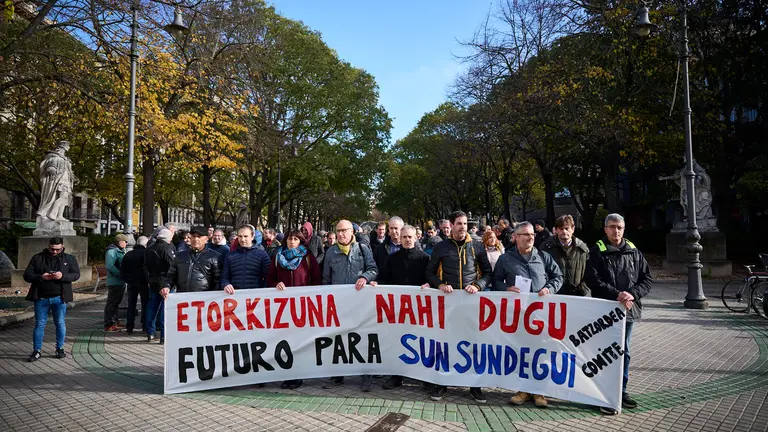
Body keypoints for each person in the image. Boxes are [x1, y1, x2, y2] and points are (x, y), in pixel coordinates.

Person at [585, 213, 652, 415]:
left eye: (620, 227)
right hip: (606, 311)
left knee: (624, 352)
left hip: (628, 310)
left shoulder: (633, 251)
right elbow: (592, 280)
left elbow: (647, 279)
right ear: (605, 229)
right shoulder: (597, 251)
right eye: (612, 227)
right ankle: (604, 393)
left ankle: (621, 391)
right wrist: (617, 294)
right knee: (606, 353)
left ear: (624, 229)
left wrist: (631, 294)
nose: (616, 231)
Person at [493, 221, 563, 408]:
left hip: (540, 315)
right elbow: (495, 281)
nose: (530, 237)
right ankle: (523, 390)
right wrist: (506, 288)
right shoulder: (505, 259)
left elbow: (558, 277)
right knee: (521, 352)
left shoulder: (543, 257)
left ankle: (539, 392)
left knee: (540, 352)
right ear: (515, 237)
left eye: (532, 234)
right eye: (525, 234)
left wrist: (549, 288)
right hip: (518, 315)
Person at [426, 211, 492, 403]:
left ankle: (475, 386)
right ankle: (443, 383)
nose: (463, 227)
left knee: (472, 344)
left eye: (465, 224)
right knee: (446, 344)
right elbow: (429, 273)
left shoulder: (478, 246)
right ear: (451, 226)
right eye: (459, 224)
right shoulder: (440, 247)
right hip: (448, 304)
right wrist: (440, 285)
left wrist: (478, 285)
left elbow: (488, 273)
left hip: (471, 304)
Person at [322, 219, 378, 391]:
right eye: (338, 231)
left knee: (362, 339)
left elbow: (373, 269)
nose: (341, 234)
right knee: (338, 339)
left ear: (352, 232)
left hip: (360, 305)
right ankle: (337, 375)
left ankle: (365, 375)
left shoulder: (363, 249)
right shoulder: (330, 252)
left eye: (344, 230)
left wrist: (365, 278)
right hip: (338, 305)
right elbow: (326, 279)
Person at [374, 224, 430, 390]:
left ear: (416, 238)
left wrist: (429, 285)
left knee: (421, 340)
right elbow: (384, 277)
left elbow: (430, 278)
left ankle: (424, 376)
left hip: (419, 308)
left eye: (410, 237)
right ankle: (396, 375)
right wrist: (377, 283)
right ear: (400, 238)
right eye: (404, 237)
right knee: (398, 340)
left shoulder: (424, 258)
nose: (407, 240)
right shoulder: (392, 258)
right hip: (398, 309)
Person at [267, 229, 322, 390]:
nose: (292, 242)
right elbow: (270, 279)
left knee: (300, 340)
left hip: (303, 307)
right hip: (283, 307)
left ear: (301, 241)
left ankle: (299, 374)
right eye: (290, 239)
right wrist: (276, 285)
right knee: (286, 341)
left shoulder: (308, 258)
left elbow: (317, 280)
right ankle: (288, 375)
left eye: (296, 239)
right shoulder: (278, 257)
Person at [23, 237, 80, 362]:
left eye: (58, 250)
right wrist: (41, 277)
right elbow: (27, 275)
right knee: (39, 324)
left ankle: (60, 348)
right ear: (48, 246)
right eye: (52, 249)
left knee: (59, 323)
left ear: (62, 247)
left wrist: (62, 276)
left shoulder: (69, 258)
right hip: (41, 298)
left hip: (59, 298)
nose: (54, 252)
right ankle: (36, 350)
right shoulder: (38, 257)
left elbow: (76, 274)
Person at [160, 226, 221, 342]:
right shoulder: (180, 255)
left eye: (199, 237)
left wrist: (214, 300)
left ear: (206, 239)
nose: (195, 239)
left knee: (203, 335)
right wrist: (166, 286)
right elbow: (171, 276)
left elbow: (217, 281)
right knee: (186, 335)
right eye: (193, 237)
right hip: (184, 302)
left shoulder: (214, 257)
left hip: (205, 304)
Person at [540, 215, 590, 296]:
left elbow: (589, 273)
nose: (564, 231)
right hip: (554, 295)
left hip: (579, 295)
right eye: (561, 228)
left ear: (572, 229)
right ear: (556, 230)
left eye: (567, 228)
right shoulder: (546, 248)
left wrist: (584, 290)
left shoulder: (583, 249)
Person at [144, 228, 176, 343]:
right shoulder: (167, 248)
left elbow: (145, 266)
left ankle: (150, 333)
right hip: (165, 283)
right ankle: (164, 335)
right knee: (165, 309)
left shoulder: (150, 248)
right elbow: (172, 266)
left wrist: (149, 279)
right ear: (168, 238)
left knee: (152, 307)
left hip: (153, 281)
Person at [221, 225, 271, 293]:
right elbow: (224, 276)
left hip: (256, 297)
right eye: (240, 236)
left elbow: (269, 277)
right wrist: (225, 284)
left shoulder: (262, 254)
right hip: (235, 295)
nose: (242, 239)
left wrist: (262, 290)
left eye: (245, 236)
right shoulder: (230, 255)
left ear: (252, 237)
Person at [120, 235, 149, 334]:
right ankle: (145, 325)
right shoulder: (146, 254)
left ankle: (129, 326)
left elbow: (123, 269)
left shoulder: (128, 254)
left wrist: (127, 279)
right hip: (143, 282)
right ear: (145, 244)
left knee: (131, 304)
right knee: (145, 304)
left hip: (131, 282)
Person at [104, 234, 128, 332]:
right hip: (114, 281)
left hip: (119, 281)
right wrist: (120, 274)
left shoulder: (119, 251)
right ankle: (109, 324)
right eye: (125, 241)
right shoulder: (112, 251)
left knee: (116, 302)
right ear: (120, 242)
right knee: (112, 303)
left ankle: (115, 321)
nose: (126, 243)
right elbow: (110, 266)